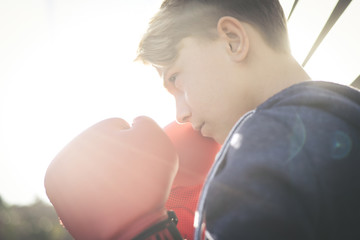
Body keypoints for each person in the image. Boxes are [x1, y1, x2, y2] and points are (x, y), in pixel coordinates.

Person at [136, 0, 360, 239]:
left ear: (232, 40)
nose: (180, 115)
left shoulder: (260, 146)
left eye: (176, 78)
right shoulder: (343, 116)